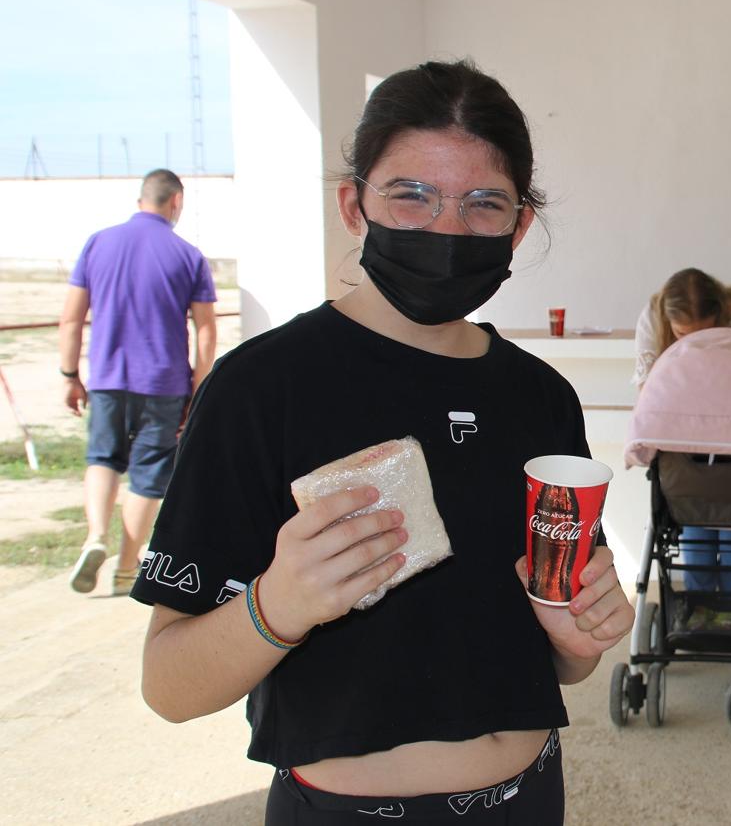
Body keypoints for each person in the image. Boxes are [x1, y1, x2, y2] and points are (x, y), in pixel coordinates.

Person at [131, 60, 634, 825]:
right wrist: (279, 604)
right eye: (411, 195)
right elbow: (169, 687)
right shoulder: (261, 388)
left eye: (483, 203)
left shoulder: (540, 397)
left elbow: (565, 661)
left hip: (528, 797)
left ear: (519, 224)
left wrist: (579, 634)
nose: (445, 228)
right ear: (354, 204)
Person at [58, 168, 217, 597]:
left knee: (103, 458)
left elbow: (71, 318)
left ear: (140, 200)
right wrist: (201, 387)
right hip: (164, 383)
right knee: (148, 475)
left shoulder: (99, 242)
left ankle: (95, 536)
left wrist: (70, 375)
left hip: (108, 377)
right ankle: (128, 566)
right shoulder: (187, 255)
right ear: (176, 202)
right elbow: (205, 329)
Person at [634, 267, 731, 592]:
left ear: (720, 316)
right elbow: (648, 393)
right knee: (693, 529)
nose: (691, 346)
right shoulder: (653, 316)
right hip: (681, 441)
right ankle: (697, 604)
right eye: (681, 335)